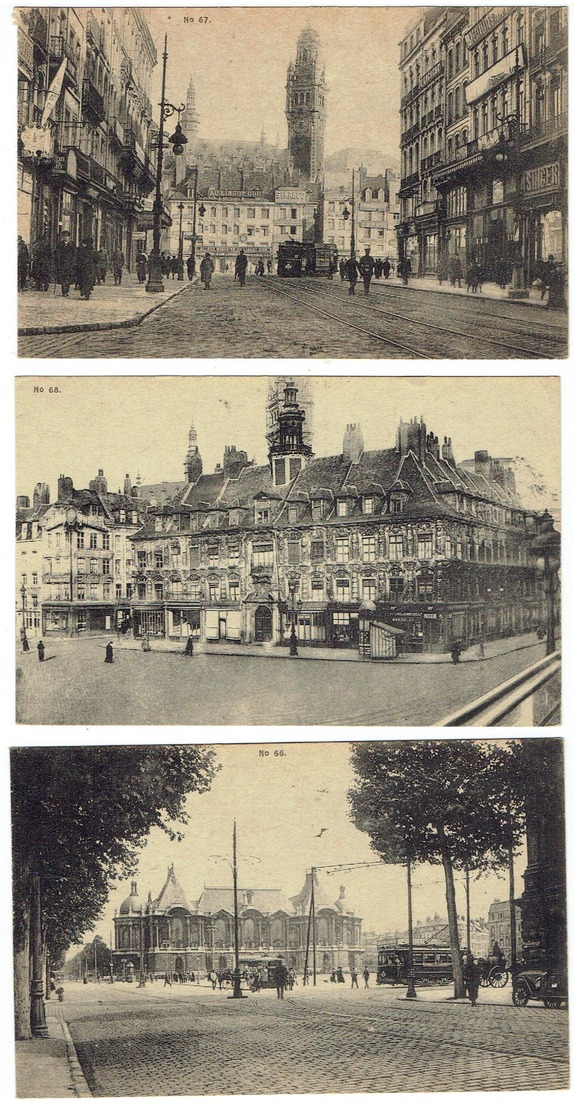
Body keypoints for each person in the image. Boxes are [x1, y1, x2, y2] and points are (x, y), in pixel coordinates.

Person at [54, 230, 76, 297]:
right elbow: (57, 254)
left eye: (67, 236)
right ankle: (64, 291)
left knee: (68, 278)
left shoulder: (72, 245)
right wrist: (57, 262)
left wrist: (73, 263)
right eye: (64, 236)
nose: (66, 238)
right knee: (63, 278)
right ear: (63, 237)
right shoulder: (59, 245)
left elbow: (74, 255)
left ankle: (67, 290)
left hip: (69, 264)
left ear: (69, 237)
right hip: (62, 264)